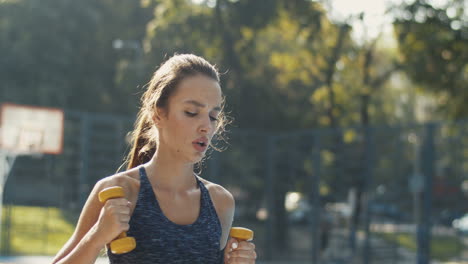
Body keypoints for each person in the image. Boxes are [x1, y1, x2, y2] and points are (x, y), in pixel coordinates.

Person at [52, 54, 257, 264]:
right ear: (158, 114)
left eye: (213, 116)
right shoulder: (119, 193)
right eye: (191, 112)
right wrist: (96, 238)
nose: (207, 126)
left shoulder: (220, 202)